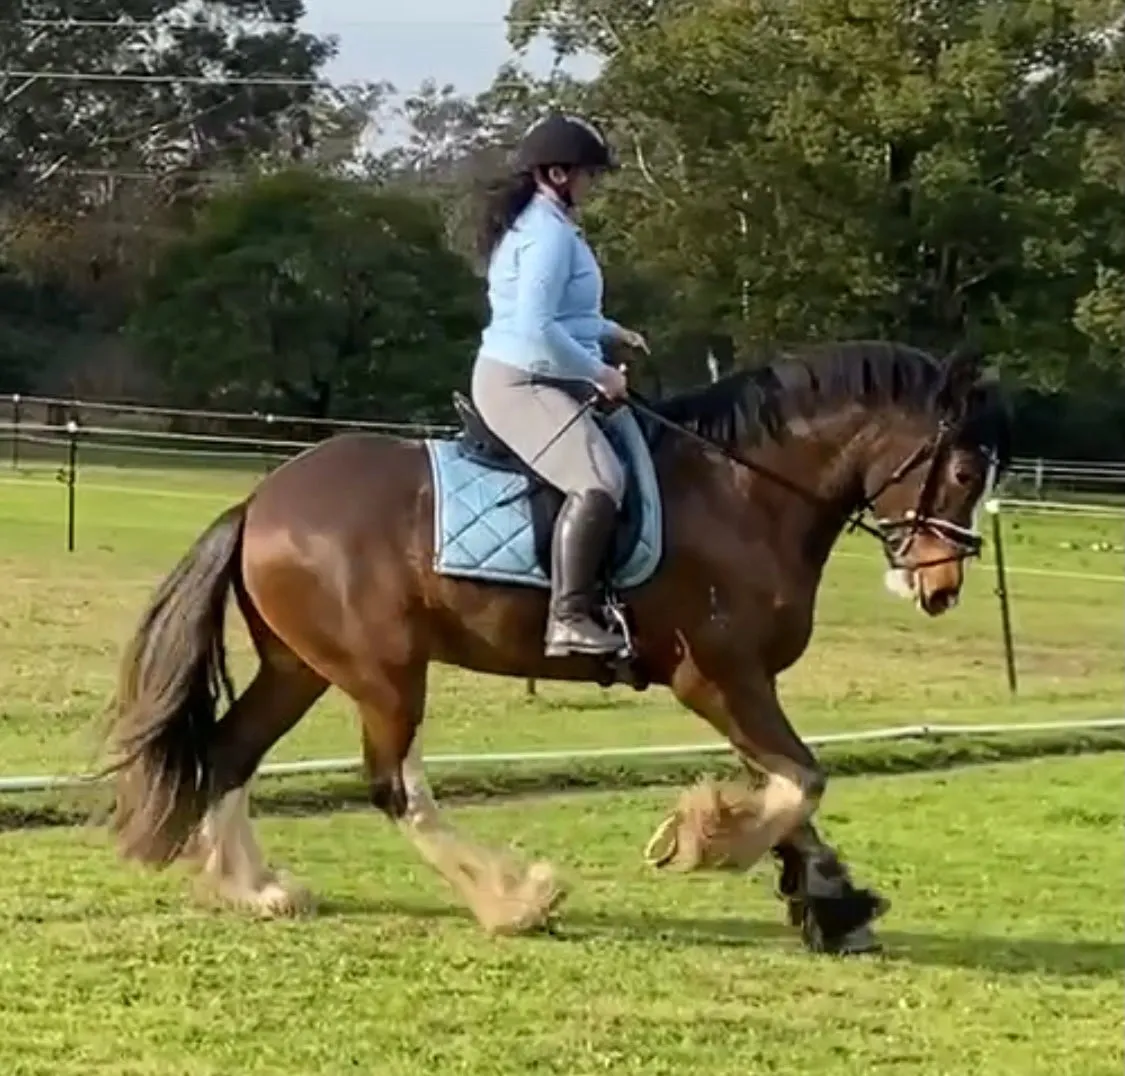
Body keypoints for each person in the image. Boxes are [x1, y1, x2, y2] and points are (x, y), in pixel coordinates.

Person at [471, 114, 649, 659]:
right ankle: (568, 617)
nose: (592, 186)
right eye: (588, 175)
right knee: (600, 480)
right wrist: (602, 374)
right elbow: (538, 329)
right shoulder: (547, 235)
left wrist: (612, 332)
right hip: (521, 381)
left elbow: (566, 316)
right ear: (556, 173)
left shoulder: (546, 225)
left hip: (540, 371)